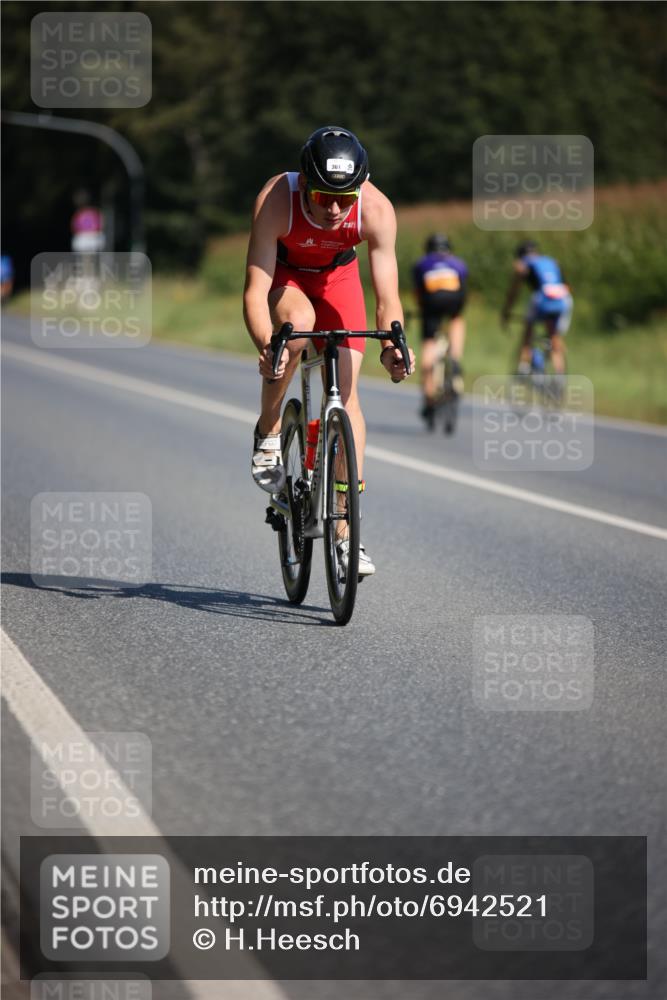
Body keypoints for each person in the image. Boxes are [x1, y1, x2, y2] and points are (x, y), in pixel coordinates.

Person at [243, 125, 414, 577]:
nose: (336, 209)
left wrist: (393, 346)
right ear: (305, 183)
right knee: (295, 330)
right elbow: (255, 291)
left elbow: (386, 297)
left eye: (346, 197)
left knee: (347, 394)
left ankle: (343, 534)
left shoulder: (375, 209)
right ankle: (269, 430)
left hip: (338, 279)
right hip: (287, 276)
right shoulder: (277, 199)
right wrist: (268, 345)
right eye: (323, 196)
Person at [412, 233, 468, 422]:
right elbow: (463, 289)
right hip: (455, 298)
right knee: (456, 319)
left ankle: (429, 400)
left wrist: (423, 312)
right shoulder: (458, 263)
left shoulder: (421, 263)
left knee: (429, 344)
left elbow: (419, 293)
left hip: (432, 301)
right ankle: (455, 358)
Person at [501, 241, 572, 377]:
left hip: (543, 299)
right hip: (563, 299)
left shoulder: (523, 264)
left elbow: (513, 293)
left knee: (528, 328)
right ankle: (559, 377)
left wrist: (506, 311)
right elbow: (565, 284)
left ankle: (524, 365)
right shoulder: (552, 261)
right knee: (554, 336)